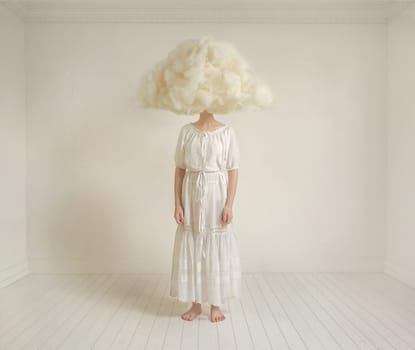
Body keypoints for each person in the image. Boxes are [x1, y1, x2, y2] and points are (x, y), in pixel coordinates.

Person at [169, 109, 242, 322]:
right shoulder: (186, 131)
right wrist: (178, 204)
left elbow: (233, 169)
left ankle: (216, 304)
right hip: (191, 192)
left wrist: (229, 204)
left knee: (215, 240)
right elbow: (180, 169)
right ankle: (196, 303)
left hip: (216, 193)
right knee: (194, 240)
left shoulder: (227, 132)